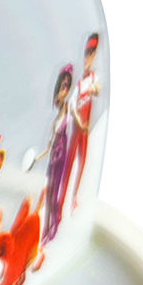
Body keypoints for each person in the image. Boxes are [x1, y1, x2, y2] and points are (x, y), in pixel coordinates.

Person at [30, 65, 73, 244]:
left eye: (66, 87)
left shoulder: (69, 110)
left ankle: (54, 229)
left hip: (62, 156)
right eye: (61, 87)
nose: (63, 92)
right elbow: (48, 147)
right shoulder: (56, 121)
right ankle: (48, 230)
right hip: (53, 158)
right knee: (50, 194)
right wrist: (35, 160)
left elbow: (77, 121)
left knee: (56, 194)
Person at [62, 33, 102, 212]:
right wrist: (78, 121)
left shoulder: (93, 78)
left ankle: (74, 198)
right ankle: (64, 197)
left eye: (91, 55)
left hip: (85, 130)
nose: (88, 59)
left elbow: (98, 90)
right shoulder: (79, 84)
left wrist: (94, 89)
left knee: (82, 161)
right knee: (69, 162)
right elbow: (72, 107)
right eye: (87, 55)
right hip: (77, 129)